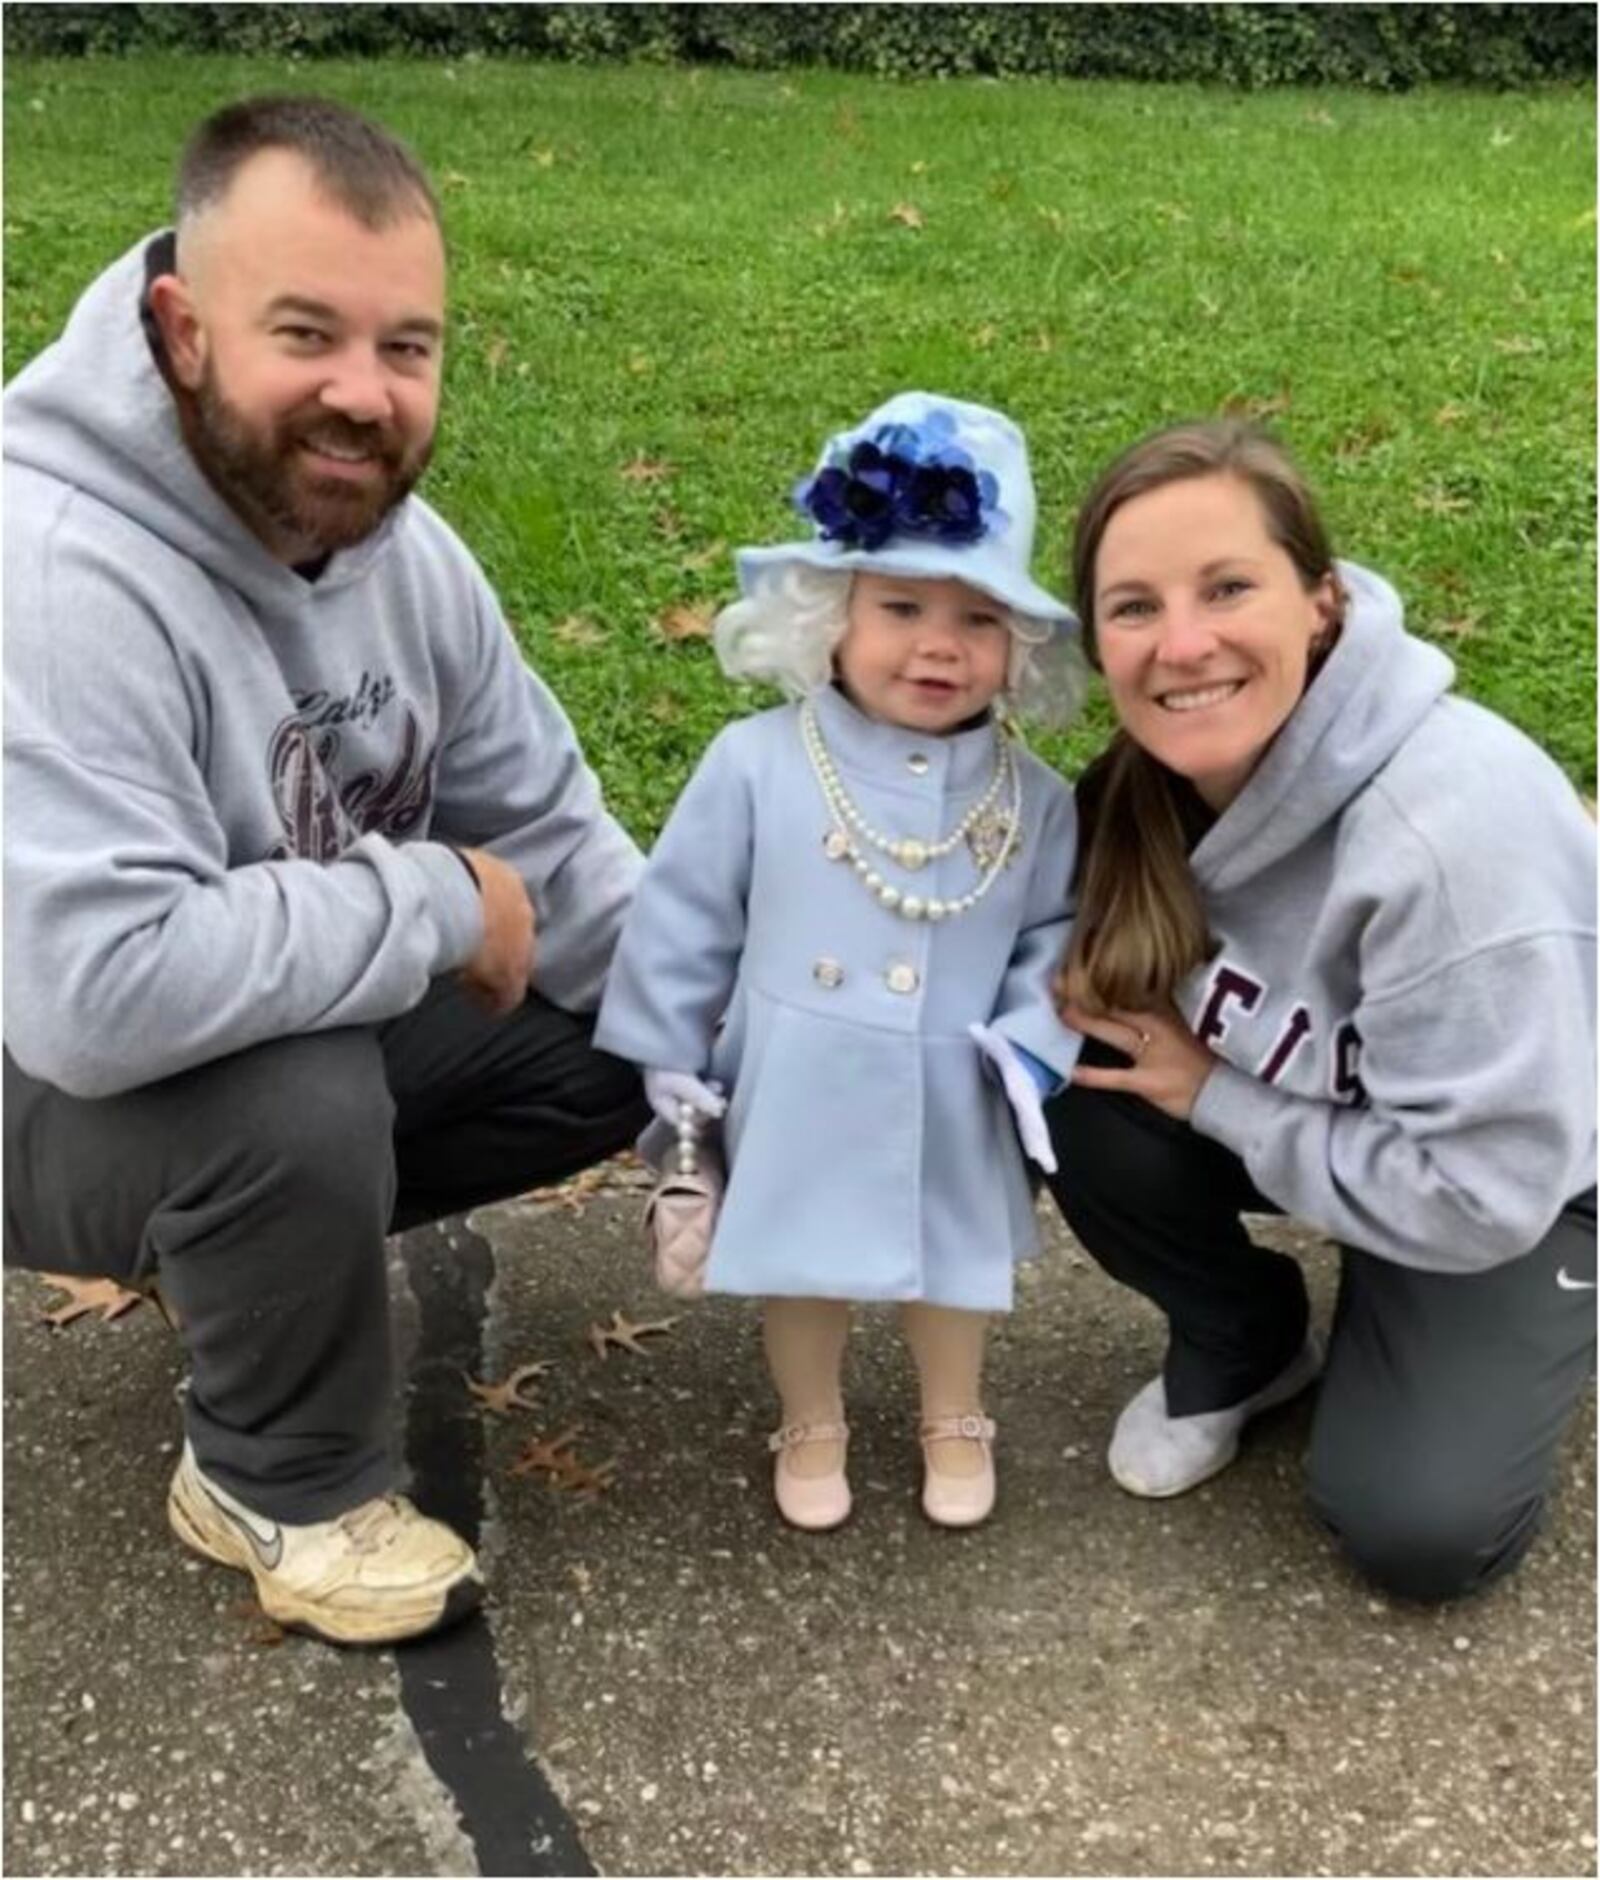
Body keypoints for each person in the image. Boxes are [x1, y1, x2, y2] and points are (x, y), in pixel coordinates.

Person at [3, 96, 649, 1645]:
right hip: (35, 1054)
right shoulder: (55, 572)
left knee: (623, 1025)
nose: (363, 395)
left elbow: (551, 835)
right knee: (284, 1096)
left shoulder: (405, 560)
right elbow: (97, 993)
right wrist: (430, 901)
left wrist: (739, 1044)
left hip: (216, 1012)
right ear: (182, 326)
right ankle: (273, 1481)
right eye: (307, 333)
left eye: (406, 347)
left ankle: (241, 1266)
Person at [1042, 418, 1596, 1602]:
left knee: (1418, 1525)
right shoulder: (1143, 788)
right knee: (1061, 1075)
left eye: (1227, 586)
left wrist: (1218, 1095)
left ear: (1323, 602)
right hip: (1349, 1116)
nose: (1181, 643)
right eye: (1133, 606)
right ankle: (1247, 1336)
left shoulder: (1447, 841)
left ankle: (1461, 1325)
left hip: (1524, 1180)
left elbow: (1481, 1194)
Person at [596, 393, 1083, 1532]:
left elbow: (1058, 935)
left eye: (975, 619)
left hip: (951, 1083)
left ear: (1015, 647)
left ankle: (953, 1409)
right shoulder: (758, 762)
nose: (936, 643)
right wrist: (668, 1056)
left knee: (953, 1271)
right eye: (899, 605)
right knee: (801, 1265)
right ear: (830, 615)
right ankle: (809, 1411)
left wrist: (1027, 1045)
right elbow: (684, 914)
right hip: (798, 1070)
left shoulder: (1033, 799)